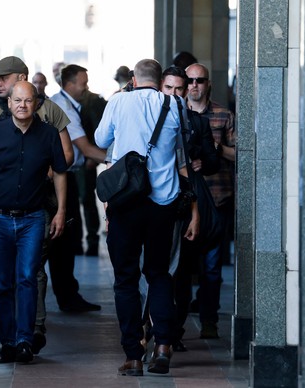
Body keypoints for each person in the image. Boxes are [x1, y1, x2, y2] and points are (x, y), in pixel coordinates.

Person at [0, 55, 74, 355]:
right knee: (4, 281)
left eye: (3, 77)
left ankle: (27, 337)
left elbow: (63, 164)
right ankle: (9, 341)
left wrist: (58, 207)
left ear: (31, 96)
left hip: (34, 212)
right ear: (11, 105)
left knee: (30, 276)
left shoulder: (48, 124)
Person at [94, 59, 199, 376]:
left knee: (125, 279)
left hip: (127, 203)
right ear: (159, 80)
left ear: (133, 79)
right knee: (159, 274)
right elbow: (181, 147)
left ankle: (134, 355)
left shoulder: (119, 101)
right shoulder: (174, 103)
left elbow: (100, 141)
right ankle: (164, 346)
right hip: (162, 203)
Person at [160, 66, 220, 351]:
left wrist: (200, 163)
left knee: (182, 273)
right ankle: (158, 329)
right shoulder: (150, 118)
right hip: (157, 202)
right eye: (169, 88)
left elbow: (212, 161)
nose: (175, 93)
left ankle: (173, 332)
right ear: (161, 88)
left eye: (179, 89)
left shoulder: (196, 122)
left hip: (186, 201)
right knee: (159, 270)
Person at [185, 63, 235, 339]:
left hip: (217, 198)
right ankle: (175, 326)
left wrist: (215, 149)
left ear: (208, 84)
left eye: (199, 80)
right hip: (184, 201)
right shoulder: (176, 114)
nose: (194, 85)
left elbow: (239, 154)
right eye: (189, 81)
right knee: (181, 268)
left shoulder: (223, 115)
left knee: (212, 268)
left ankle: (209, 320)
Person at [50, 64, 106, 310]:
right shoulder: (64, 109)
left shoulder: (64, 104)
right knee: (64, 240)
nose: (86, 87)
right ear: (69, 84)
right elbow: (85, 149)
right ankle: (68, 297)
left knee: (66, 238)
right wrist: (119, 158)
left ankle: (69, 293)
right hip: (63, 180)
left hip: (66, 177)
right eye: (83, 82)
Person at [77, 88, 107, 256]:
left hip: (86, 158)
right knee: (75, 203)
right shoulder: (63, 101)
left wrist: (93, 158)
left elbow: (99, 130)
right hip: (73, 160)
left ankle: (92, 242)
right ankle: (77, 242)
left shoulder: (92, 100)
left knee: (87, 200)